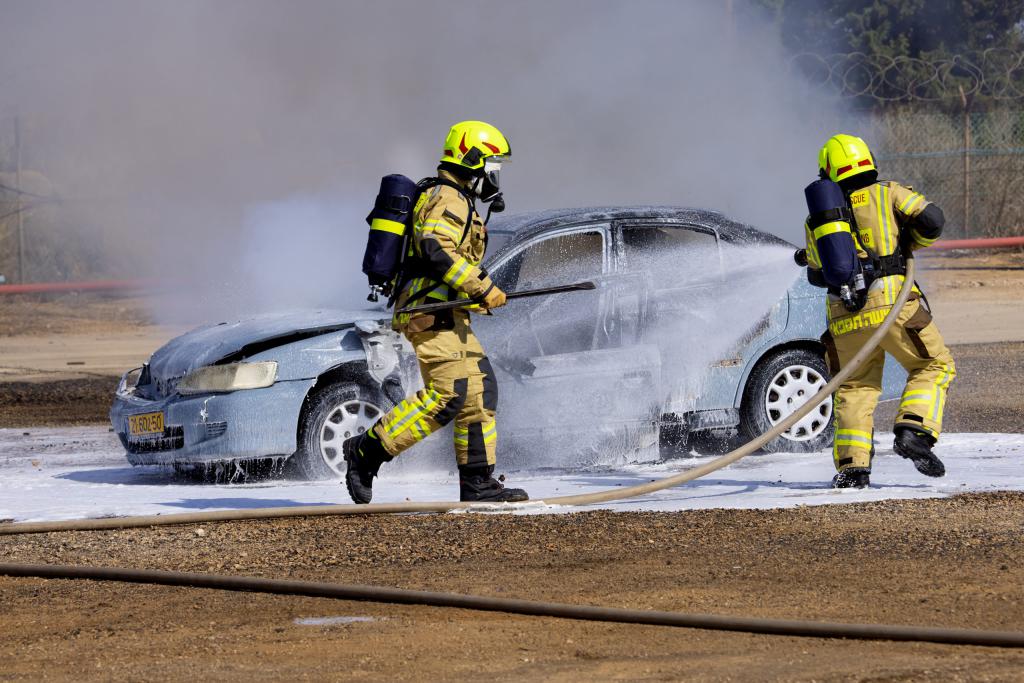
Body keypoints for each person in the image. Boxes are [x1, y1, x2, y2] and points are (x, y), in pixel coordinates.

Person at [343, 121, 529, 504]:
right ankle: (366, 452)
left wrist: (475, 296)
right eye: (493, 165)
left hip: (448, 312)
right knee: (449, 394)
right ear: (473, 158)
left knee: (479, 390)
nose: (495, 177)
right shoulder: (450, 197)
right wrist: (483, 286)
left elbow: (443, 261)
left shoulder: (456, 197)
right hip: (429, 313)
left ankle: (477, 482)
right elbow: (435, 248)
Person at [802, 134, 956, 489]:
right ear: (867, 159)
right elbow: (932, 219)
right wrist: (910, 242)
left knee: (854, 386)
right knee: (933, 364)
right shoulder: (889, 192)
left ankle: (852, 469)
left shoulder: (819, 220)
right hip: (895, 304)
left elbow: (815, 272)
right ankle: (914, 430)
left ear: (828, 170)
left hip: (843, 315)